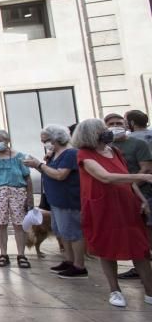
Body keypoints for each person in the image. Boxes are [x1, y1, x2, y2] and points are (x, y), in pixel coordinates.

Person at [71, 118, 152, 307]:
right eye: (103, 128)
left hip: (126, 205)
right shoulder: (84, 154)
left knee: (140, 249)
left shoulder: (114, 151)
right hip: (102, 207)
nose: (108, 130)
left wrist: (141, 199)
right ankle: (115, 291)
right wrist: (143, 176)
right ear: (92, 133)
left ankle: (150, 291)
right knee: (107, 248)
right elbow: (104, 177)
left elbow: (126, 178)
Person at [24, 125, 86, 278]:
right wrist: (39, 165)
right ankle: (69, 260)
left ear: (56, 138)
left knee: (73, 232)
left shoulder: (70, 153)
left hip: (68, 199)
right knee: (62, 231)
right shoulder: (55, 154)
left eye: (46, 140)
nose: (45, 143)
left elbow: (60, 175)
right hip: (55, 200)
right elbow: (49, 172)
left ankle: (79, 265)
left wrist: (39, 165)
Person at [105, 113, 152, 280]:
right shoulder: (106, 147)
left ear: (126, 125)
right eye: (111, 123)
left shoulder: (137, 143)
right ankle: (140, 269)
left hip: (143, 193)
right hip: (119, 197)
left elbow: (145, 168)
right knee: (134, 234)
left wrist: (129, 187)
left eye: (119, 122)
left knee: (147, 231)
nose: (115, 125)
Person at [0, 129, 33, 268]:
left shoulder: (19, 157)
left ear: (7, 141)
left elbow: (27, 177)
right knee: (0, 224)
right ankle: (3, 253)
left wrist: (30, 198)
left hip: (18, 192)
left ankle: (21, 254)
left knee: (19, 224)